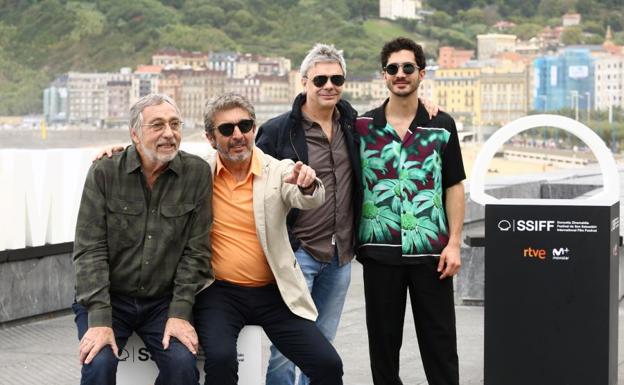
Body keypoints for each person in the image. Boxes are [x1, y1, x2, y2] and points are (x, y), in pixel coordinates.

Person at [194, 93, 343, 385]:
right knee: (221, 361)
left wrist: (310, 183)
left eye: (245, 126)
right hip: (219, 292)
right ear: (211, 138)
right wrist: (115, 154)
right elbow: (159, 163)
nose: (238, 135)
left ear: (253, 129)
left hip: (273, 291)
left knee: (328, 364)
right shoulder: (199, 173)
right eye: (226, 129)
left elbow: (308, 195)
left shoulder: (278, 170)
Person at [72, 93, 213, 385]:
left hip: (163, 301)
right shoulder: (105, 172)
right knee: (98, 363)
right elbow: (90, 249)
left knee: (183, 366)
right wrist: (99, 318)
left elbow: (196, 251)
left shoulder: (197, 173)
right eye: (157, 125)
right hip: (109, 295)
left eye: (175, 124)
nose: (169, 133)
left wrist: (179, 312)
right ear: (135, 134)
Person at [354, 37, 466, 385]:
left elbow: (454, 185)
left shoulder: (442, 125)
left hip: (432, 252)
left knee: (441, 344)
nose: (400, 74)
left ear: (421, 73)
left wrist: (455, 243)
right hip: (379, 252)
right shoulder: (360, 127)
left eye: (408, 68)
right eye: (392, 69)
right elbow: (319, 108)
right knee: (383, 350)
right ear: (383, 75)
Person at [255, 43, 361, 385]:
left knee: (322, 348)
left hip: (340, 255)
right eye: (320, 79)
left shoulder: (354, 125)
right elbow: (248, 181)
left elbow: (398, 115)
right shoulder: (277, 131)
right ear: (304, 82)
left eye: (336, 78)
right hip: (297, 254)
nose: (328, 85)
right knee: (285, 351)